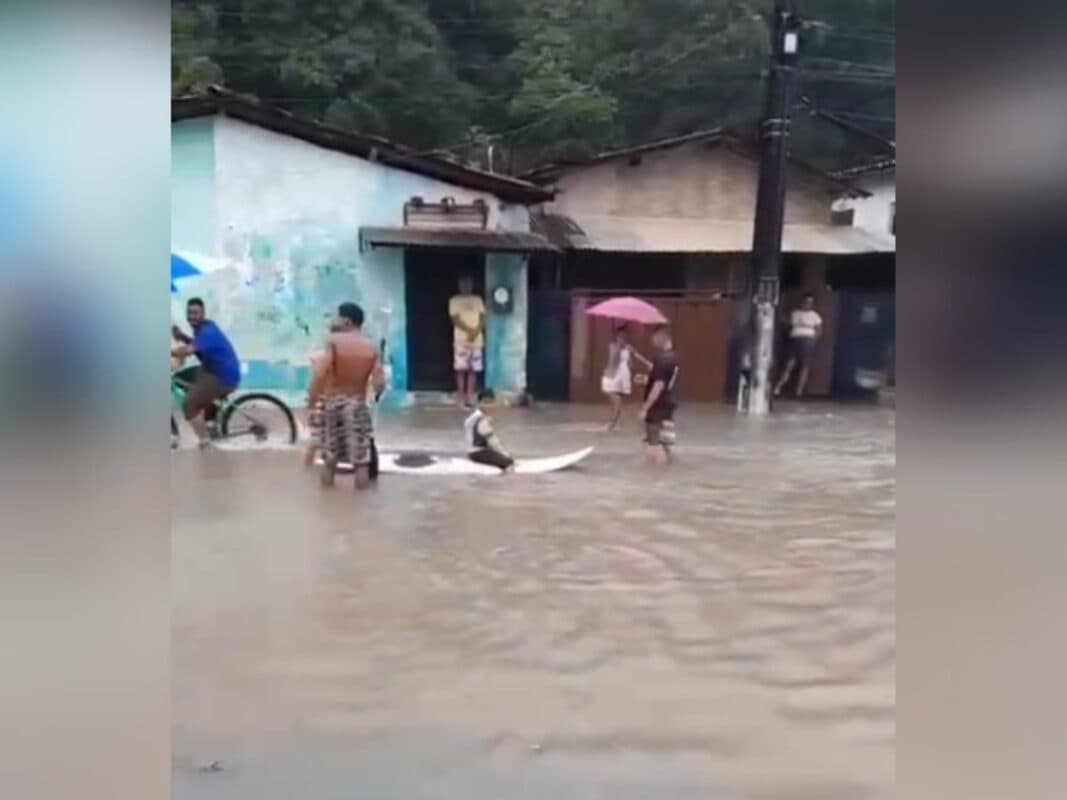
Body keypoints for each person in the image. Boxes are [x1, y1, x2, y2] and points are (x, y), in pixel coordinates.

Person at [308, 302, 384, 490]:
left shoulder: (334, 342)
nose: (334, 320)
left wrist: (312, 402)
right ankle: (363, 510)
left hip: (332, 404)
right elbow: (379, 384)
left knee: (329, 460)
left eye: (338, 316)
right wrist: (374, 398)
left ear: (347, 321)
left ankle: (328, 507)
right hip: (357, 405)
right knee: (361, 462)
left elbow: (319, 374)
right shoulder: (371, 347)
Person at [171, 298, 241, 448]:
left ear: (203, 314)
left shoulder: (208, 332)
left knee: (188, 404)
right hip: (210, 369)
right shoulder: (202, 329)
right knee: (180, 379)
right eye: (189, 313)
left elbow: (189, 350)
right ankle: (209, 416)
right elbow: (197, 345)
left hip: (222, 376)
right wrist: (182, 336)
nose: (192, 316)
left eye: (195, 313)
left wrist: (171, 352)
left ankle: (205, 441)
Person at [639, 325, 680, 465]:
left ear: (662, 336)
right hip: (669, 404)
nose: (652, 340)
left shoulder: (662, 359)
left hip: (658, 406)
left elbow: (659, 385)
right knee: (665, 443)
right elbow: (664, 380)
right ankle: (665, 475)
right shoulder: (673, 357)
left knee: (653, 442)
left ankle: (651, 476)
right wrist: (648, 377)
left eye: (654, 336)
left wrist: (645, 407)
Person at [600, 325, 650, 431]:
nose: (623, 338)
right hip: (612, 377)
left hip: (623, 377)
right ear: (617, 336)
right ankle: (611, 424)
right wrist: (620, 347)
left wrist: (638, 359)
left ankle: (612, 424)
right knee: (615, 402)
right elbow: (612, 360)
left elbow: (632, 363)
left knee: (618, 403)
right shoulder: (613, 346)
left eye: (625, 336)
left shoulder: (628, 347)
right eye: (621, 336)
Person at [774, 293, 823, 398]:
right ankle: (778, 387)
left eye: (810, 302)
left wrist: (814, 341)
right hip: (795, 340)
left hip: (808, 341)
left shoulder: (815, 315)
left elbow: (819, 330)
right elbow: (789, 326)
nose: (807, 304)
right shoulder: (795, 313)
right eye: (806, 302)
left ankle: (799, 390)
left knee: (805, 366)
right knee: (789, 364)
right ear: (802, 302)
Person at [449, 275, 486, 407]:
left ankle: (470, 396)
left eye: (468, 284)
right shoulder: (454, 300)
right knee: (460, 369)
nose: (466, 287)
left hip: (476, 340)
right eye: (463, 284)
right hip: (461, 340)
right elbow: (455, 319)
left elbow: (482, 317)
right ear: (459, 285)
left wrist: (476, 331)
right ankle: (461, 396)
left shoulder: (478, 300)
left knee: (473, 369)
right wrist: (470, 330)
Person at [464, 389, 515, 473]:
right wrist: (507, 456)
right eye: (485, 402)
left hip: (474, 451)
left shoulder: (473, 416)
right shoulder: (481, 419)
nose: (488, 406)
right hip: (478, 452)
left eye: (490, 403)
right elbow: (493, 441)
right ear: (479, 403)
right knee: (509, 462)